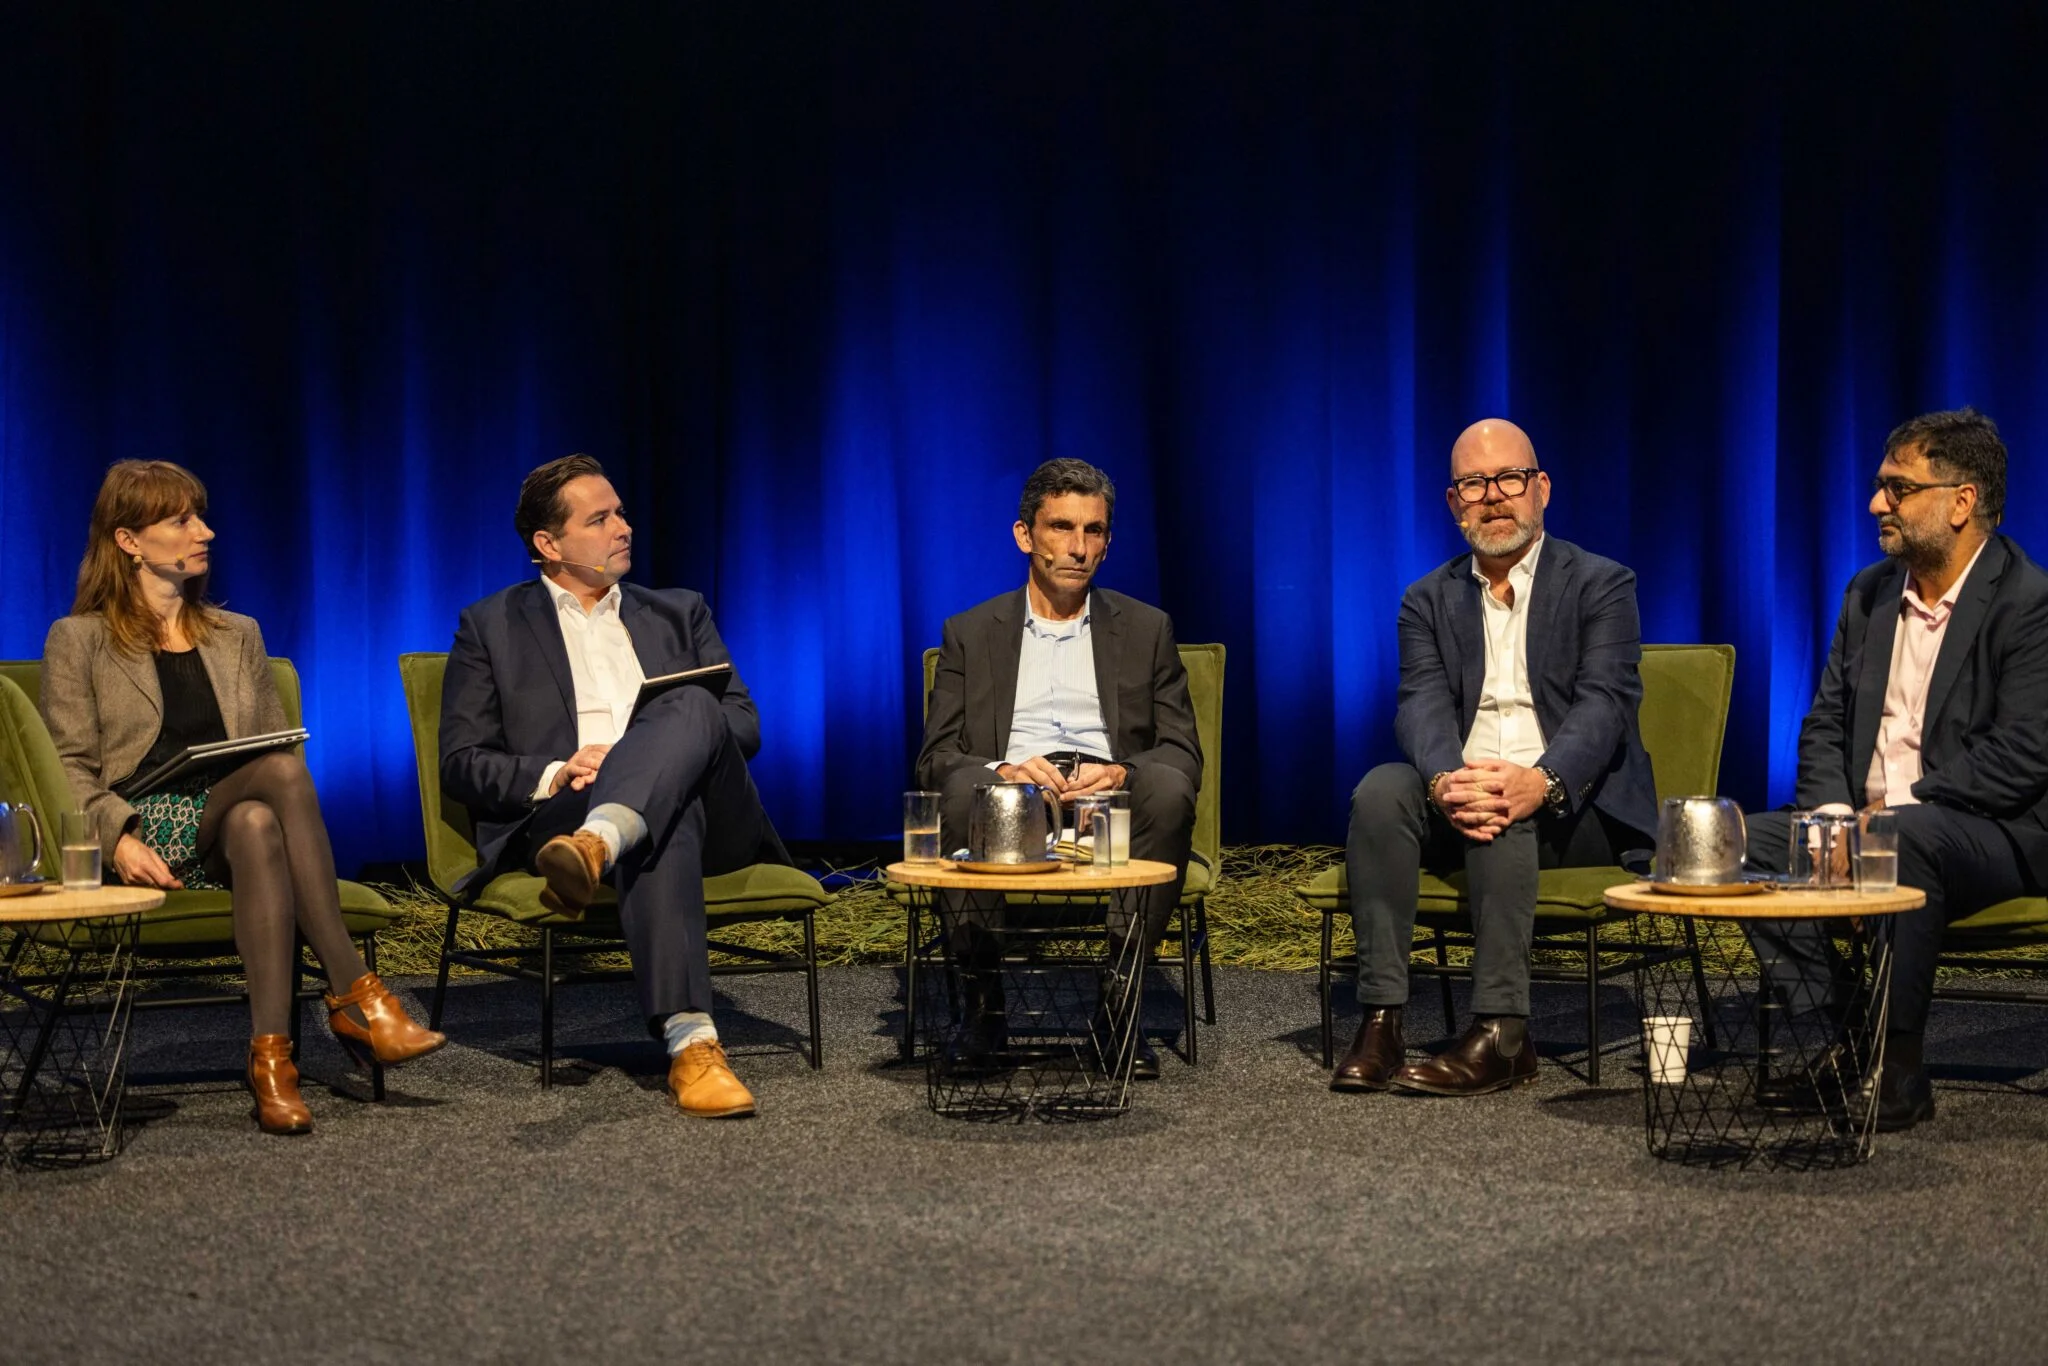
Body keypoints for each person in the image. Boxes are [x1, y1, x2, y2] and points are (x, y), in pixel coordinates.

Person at [41, 461, 444, 1136]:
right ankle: (355, 994)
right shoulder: (79, 640)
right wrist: (118, 838)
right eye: (181, 521)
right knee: (283, 777)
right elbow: (71, 770)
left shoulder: (238, 635)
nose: (205, 531)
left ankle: (271, 1061)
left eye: (199, 516)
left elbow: (261, 747)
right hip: (150, 829)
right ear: (129, 541)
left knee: (261, 812)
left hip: (228, 825)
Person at [440, 453, 791, 1118]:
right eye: (599, 519)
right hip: (566, 811)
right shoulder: (489, 625)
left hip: (713, 819)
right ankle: (693, 1046)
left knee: (691, 707)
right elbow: (461, 761)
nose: (623, 528)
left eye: (621, 512)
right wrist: (560, 770)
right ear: (548, 545)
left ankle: (602, 841)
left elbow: (742, 727)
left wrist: (637, 756)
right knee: (666, 817)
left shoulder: (679, 612)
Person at [1745, 408, 2048, 1132]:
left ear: (1962, 501)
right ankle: (1848, 1038)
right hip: (1868, 824)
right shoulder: (1868, 594)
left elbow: (2025, 752)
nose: (1877, 504)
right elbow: (1824, 724)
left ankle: (1901, 1069)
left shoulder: (2027, 602)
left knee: (1908, 842)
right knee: (1744, 847)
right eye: (1881, 487)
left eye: (1898, 488)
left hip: (1988, 835)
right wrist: (1831, 816)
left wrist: (1891, 819)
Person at [1334, 419, 1657, 1096]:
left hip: (1578, 808)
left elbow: (1605, 706)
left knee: (1506, 811)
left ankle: (1503, 1033)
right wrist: (1448, 778)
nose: (1493, 496)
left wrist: (1539, 781)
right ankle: (1384, 1018)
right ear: (1454, 504)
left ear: (1540, 489)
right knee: (1380, 792)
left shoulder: (1602, 583)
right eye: (1474, 484)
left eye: (1509, 479)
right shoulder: (1426, 598)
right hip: (1461, 795)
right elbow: (1418, 704)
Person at [915, 458, 1201, 1078]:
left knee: (1170, 786)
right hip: (1014, 794)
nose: (1077, 548)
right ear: (1025, 535)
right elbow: (935, 756)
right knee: (969, 789)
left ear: (1107, 541)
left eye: (1093, 531)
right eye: (1061, 528)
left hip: (1108, 802)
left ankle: (1119, 1011)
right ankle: (983, 1010)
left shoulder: (1148, 629)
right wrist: (1005, 771)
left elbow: (1182, 748)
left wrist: (1123, 771)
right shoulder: (970, 632)